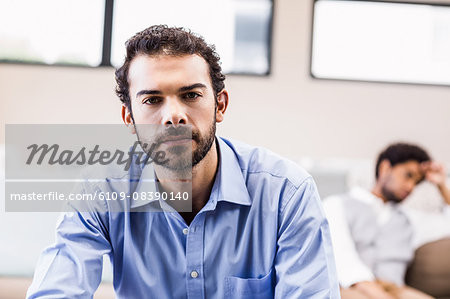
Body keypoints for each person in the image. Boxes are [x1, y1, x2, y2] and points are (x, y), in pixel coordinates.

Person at [27, 25, 340, 298]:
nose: (173, 115)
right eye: (152, 100)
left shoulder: (288, 194)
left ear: (220, 104)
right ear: (130, 119)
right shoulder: (101, 191)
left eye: (190, 95)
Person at [323, 143, 450, 299]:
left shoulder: (409, 219)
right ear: (385, 168)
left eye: (416, 183)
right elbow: (343, 258)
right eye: (408, 175)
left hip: (396, 290)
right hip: (351, 289)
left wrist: (442, 186)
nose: (410, 187)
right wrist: (379, 294)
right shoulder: (336, 205)